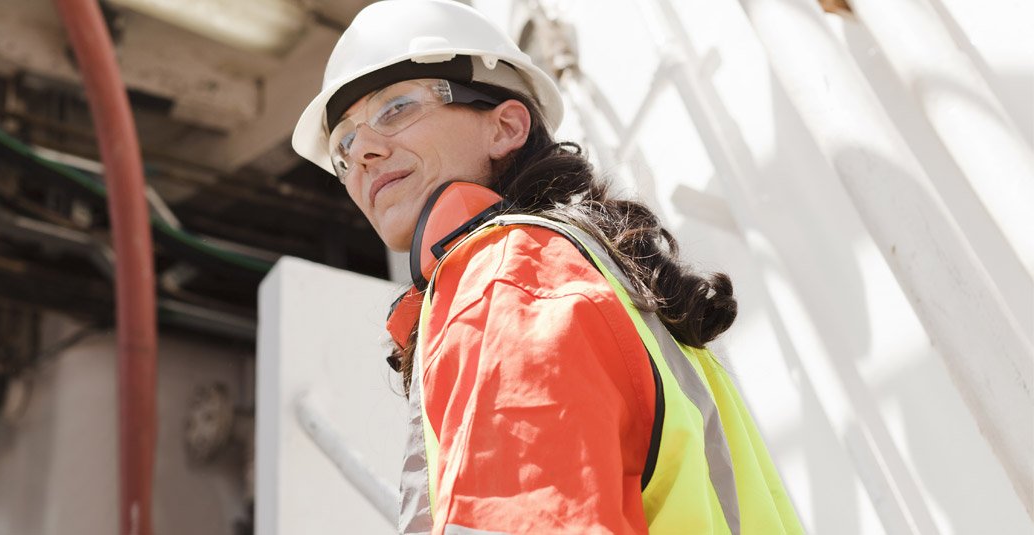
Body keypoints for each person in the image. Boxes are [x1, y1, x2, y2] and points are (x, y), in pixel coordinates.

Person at [291, 1, 803, 533]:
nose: (364, 153)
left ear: (506, 126)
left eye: (395, 109)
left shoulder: (509, 278)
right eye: (343, 147)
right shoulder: (590, 278)